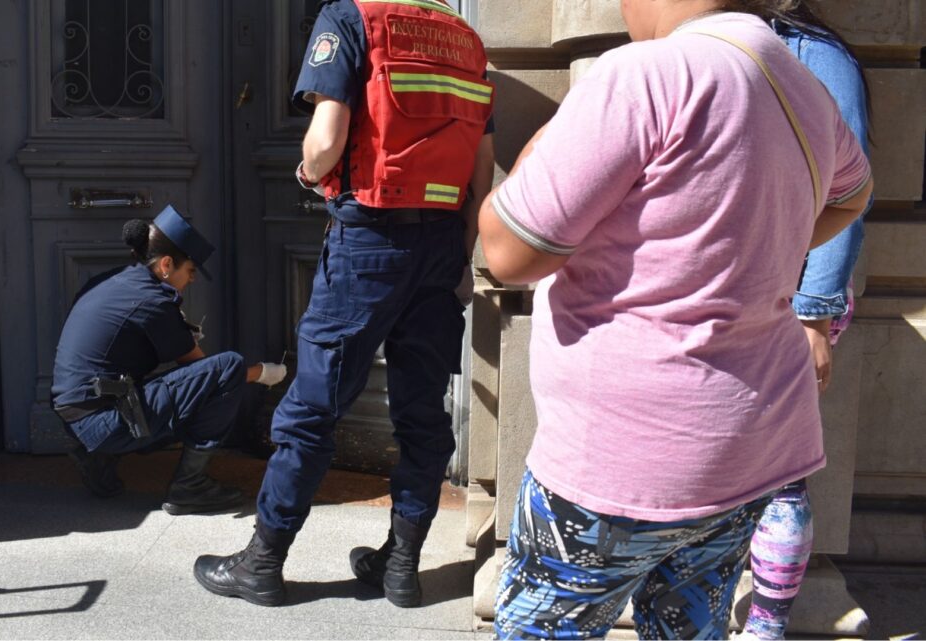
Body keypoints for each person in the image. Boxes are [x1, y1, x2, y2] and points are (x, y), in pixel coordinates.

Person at [477, 0, 873, 637]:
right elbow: (854, 193)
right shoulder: (801, 82)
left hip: (621, 455)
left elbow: (508, 251)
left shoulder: (644, 74)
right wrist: (761, 246)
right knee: (691, 627)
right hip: (749, 446)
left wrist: (542, 149)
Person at [192, 0, 495, 608]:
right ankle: (401, 567)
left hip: (369, 241)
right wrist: (462, 252)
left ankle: (263, 561)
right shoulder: (466, 38)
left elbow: (326, 143)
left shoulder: (352, 19)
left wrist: (308, 172)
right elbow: (481, 168)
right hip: (440, 242)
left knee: (313, 405)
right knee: (422, 410)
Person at [741, 3, 873, 638]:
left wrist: (814, 318)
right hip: (730, 292)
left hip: (788, 301)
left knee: (781, 482)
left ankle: (765, 628)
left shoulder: (815, 54)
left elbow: (846, 190)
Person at [51, 205, 288, 514]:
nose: (191, 281)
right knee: (229, 366)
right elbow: (207, 372)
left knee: (190, 383)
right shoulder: (153, 301)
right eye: (189, 271)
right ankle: (190, 486)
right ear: (166, 264)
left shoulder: (113, 282)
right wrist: (263, 373)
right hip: (104, 420)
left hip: (78, 417)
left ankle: (97, 457)